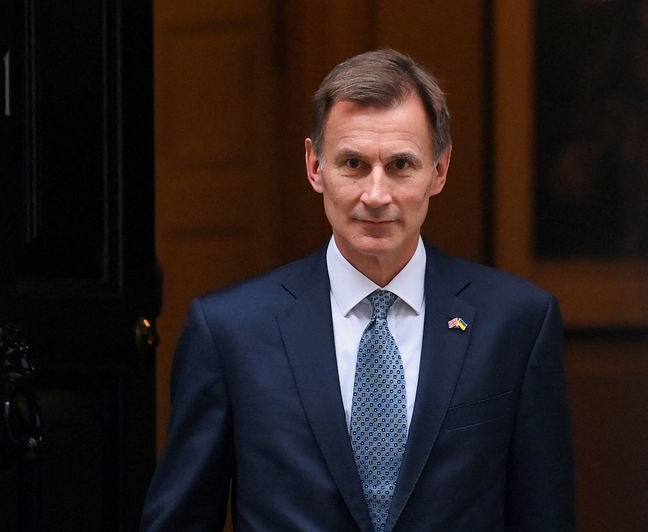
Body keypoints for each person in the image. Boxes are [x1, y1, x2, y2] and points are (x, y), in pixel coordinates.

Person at [141, 49, 574, 531]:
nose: (376, 195)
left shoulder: (517, 323)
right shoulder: (230, 331)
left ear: (440, 170)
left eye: (401, 165)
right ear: (314, 166)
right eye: (352, 163)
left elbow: (545, 515)